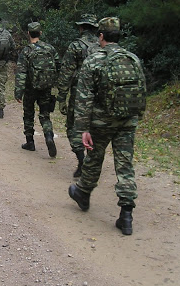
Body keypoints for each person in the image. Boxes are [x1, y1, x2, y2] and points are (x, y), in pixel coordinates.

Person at [68, 17, 147, 235]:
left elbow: (84, 98)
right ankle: (126, 214)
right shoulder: (133, 59)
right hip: (128, 120)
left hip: (102, 121)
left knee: (94, 156)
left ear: (101, 36)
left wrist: (83, 128)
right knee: (125, 163)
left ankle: (83, 193)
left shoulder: (94, 61)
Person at [56, 14, 100, 177]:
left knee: (73, 128)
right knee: (95, 128)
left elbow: (66, 73)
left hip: (79, 95)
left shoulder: (76, 46)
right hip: (100, 96)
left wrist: (61, 98)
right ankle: (92, 162)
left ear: (81, 27)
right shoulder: (103, 45)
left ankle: (82, 161)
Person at [14, 21, 60, 157]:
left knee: (28, 114)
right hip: (46, 88)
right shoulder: (50, 49)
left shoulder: (27, 51)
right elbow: (58, 65)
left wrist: (19, 91)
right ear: (40, 33)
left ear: (28, 33)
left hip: (30, 88)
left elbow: (21, 72)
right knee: (45, 115)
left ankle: (30, 142)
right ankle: (49, 137)